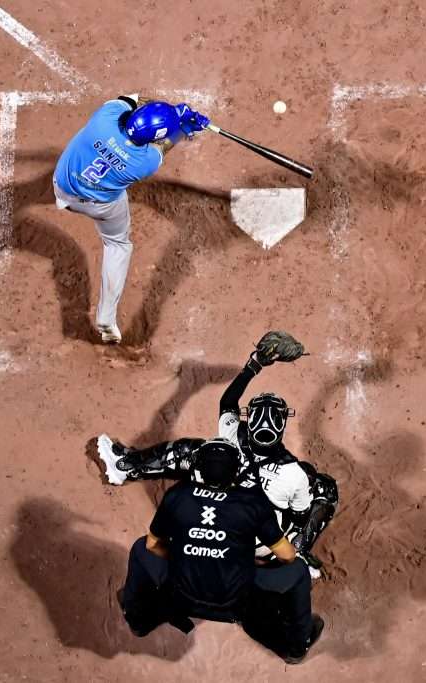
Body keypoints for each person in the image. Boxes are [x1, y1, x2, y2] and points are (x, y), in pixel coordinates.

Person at [98, 343, 338, 578]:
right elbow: (300, 516)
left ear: (250, 422)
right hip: (259, 545)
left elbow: (228, 402)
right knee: (324, 488)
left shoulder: (233, 435)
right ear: (282, 424)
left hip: (208, 528)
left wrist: (253, 365)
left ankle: (125, 466)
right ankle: (297, 553)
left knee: (195, 450)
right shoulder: (294, 473)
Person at [119, 439, 324, 663]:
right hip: (237, 604)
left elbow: (151, 545)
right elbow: (288, 555)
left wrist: (188, 554)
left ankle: (138, 620)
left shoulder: (178, 495)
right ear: (236, 472)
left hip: (180, 596)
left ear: (200, 468)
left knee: (139, 549)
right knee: (298, 571)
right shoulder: (252, 503)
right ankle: (296, 646)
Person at [53, 95, 210, 344]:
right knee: (118, 245)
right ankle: (106, 319)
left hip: (63, 187)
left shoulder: (104, 118)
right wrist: (182, 126)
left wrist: (173, 112)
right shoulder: (145, 163)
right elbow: (163, 147)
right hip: (100, 206)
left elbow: (135, 98)